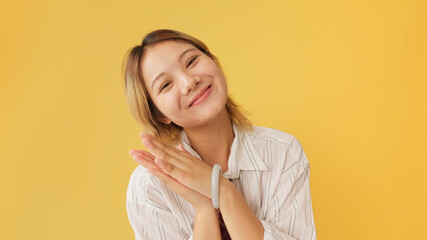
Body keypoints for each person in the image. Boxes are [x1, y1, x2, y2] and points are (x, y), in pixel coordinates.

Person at [123, 29, 316, 240]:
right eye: (166, 85)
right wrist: (205, 209)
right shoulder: (150, 186)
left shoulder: (282, 152)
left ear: (213, 61)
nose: (189, 82)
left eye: (191, 61)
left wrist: (222, 190)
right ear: (159, 114)